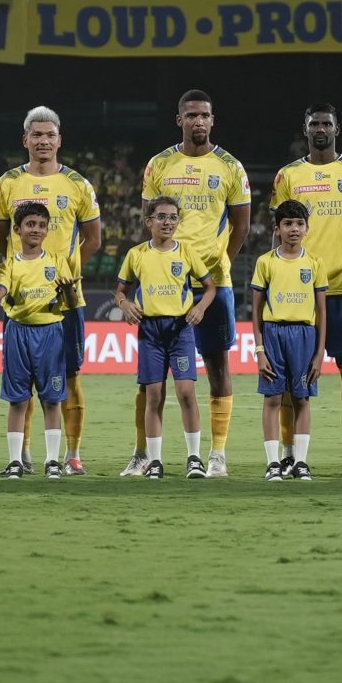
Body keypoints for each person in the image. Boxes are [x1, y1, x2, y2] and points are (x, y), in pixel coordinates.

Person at [142, 90, 251, 477]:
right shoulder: (159, 164)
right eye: (191, 115)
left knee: (218, 366)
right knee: (152, 376)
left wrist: (219, 265)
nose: (198, 121)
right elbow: (148, 218)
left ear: (212, 120)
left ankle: (217, 453)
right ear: (180, 120)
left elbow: (241, 225)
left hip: (212, 284)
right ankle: (145, 454)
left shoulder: (230, 166)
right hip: (165, 284)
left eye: (204, 115)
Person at [0, 107, 102, 475]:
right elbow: (1, 237)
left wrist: (65, 273)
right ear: (25, 140)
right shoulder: (7, 184)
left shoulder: (78, 184)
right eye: (36, 135)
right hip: (21, 301)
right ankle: (22, 454)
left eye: (50, 135)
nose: (43, 141)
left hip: (65, 301)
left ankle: (72, 453)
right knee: (23, 381)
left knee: (69, 376)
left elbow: (93, 239)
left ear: (59, 140)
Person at [269, 104, 342, 477]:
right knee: (291, 375)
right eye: (314, 123)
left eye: (326, 123)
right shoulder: (288, 175)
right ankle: (289, 454)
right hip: (299, 292)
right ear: (305, 129)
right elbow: (278, 233)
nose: (320, 128)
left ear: (336, 128)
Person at [0, 203, 82, 481]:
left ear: (47, 230)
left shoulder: (57, 261)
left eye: (41, 225)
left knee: (52, 400)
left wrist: (69, 289)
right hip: (18, 333)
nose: (36, 229)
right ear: (17, 229)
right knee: (18, 401)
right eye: (30, 224)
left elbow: (71, 304)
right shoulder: (10, 264)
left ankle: (52, 462)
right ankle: (15, 462)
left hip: (51, 333)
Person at [114, 196, 216, 480]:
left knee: (186, 392)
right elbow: (120, 290)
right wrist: (124, 304)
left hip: (180, 329)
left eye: (173, 217)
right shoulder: (136, 254)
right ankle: (155, 461)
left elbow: (210, 287)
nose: (167, 222)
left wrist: (200, 308)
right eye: (161, 217)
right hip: (150, 330)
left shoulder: (187, 252)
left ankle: (194, 458)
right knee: (154, 395)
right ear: (149, 222)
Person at [252, 201, 328, 482]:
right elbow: (256, 311)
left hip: (305, 336)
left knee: (302, 398)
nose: (293, 229)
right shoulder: (265, 262)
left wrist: (319, 353)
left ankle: (301, 462)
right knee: (272, 398)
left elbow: (322, 312)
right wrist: (260, 350)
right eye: (287, 224)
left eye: (299, 223)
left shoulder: (315, 263)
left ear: (307, 228)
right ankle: (273, 463)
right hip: (273, 333)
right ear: (277, 229)